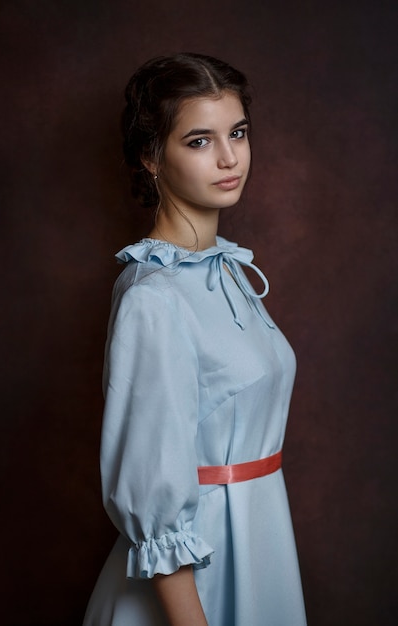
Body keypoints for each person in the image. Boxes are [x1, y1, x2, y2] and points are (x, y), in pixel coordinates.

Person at [83, 52, 307, 626]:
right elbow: (151, 486)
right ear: (151, 157)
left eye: (237, 132)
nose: (231, 157)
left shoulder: (225, 269)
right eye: (200, 141)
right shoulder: (153, 297)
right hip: (198, 576)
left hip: (258, 546)